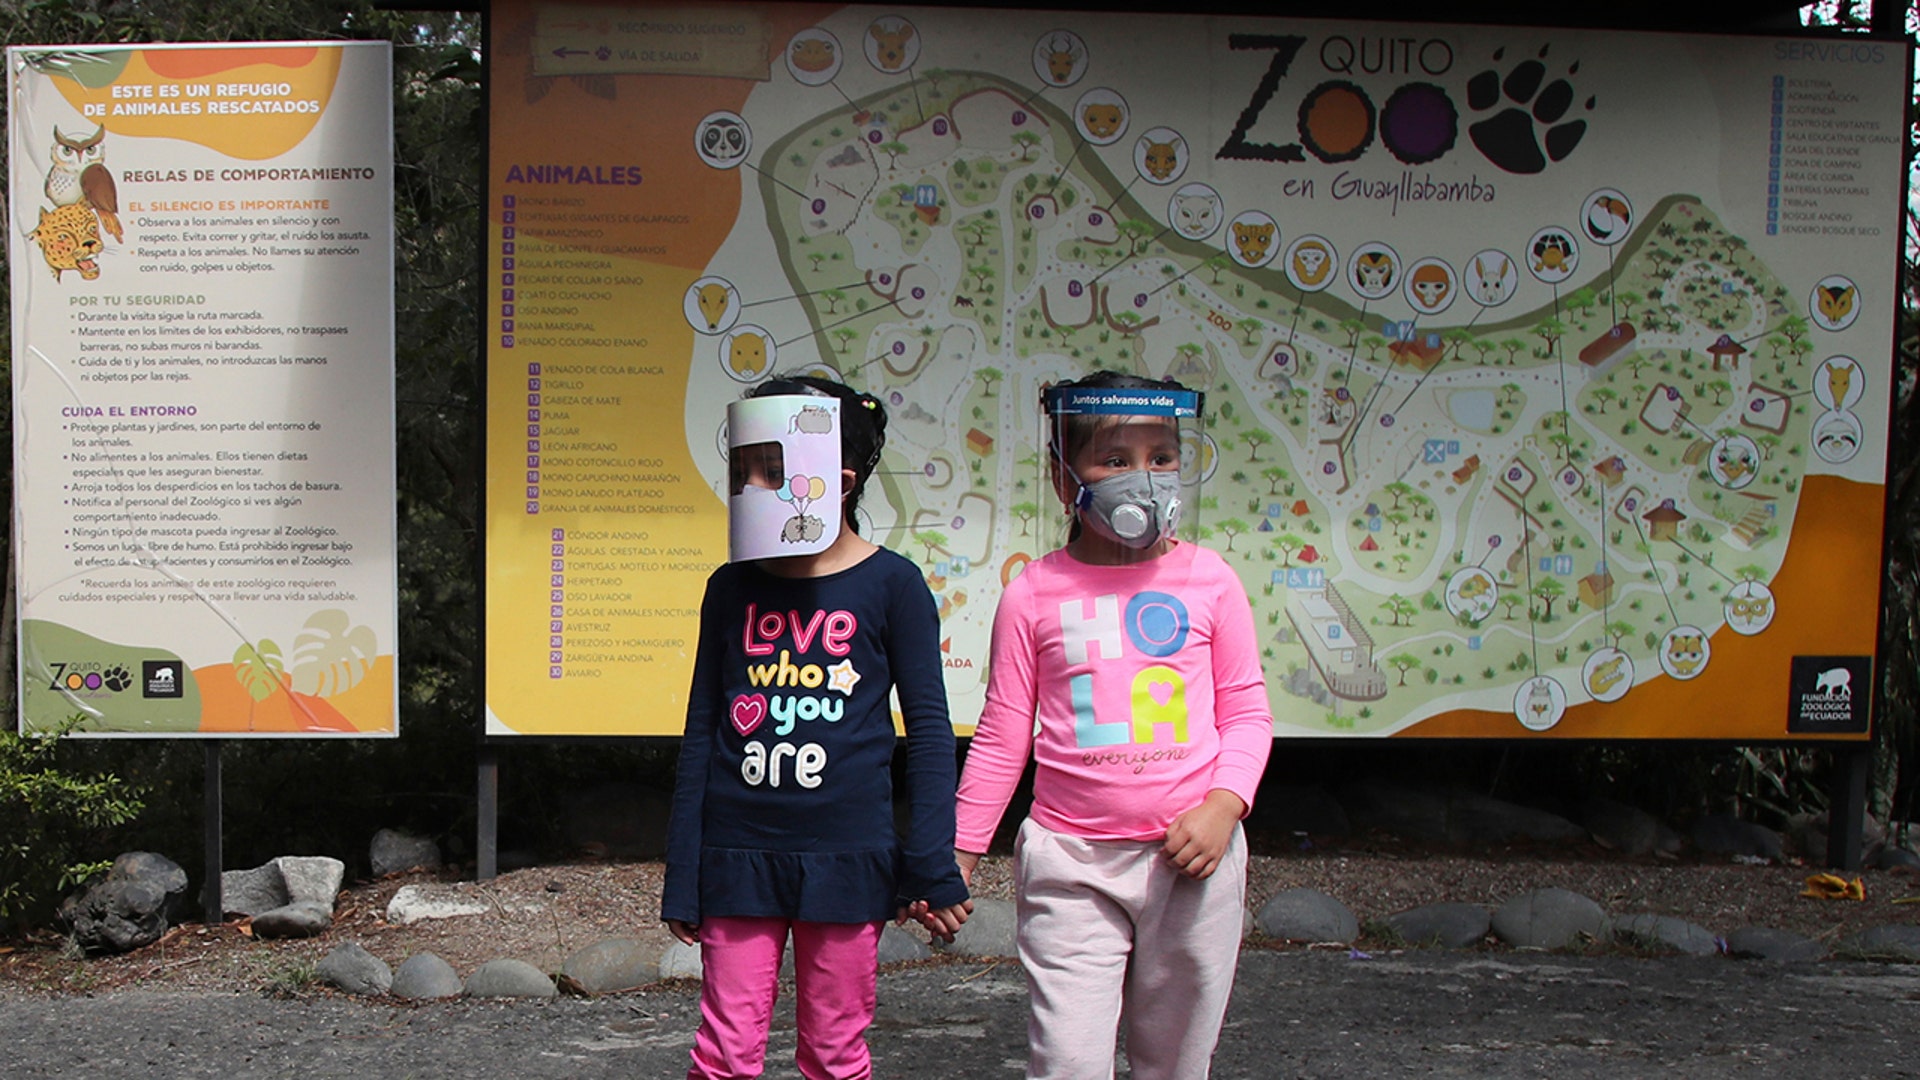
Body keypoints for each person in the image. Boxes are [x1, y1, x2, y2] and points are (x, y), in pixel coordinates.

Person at [953, 370, 1273, 1080]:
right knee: (1068, 1060)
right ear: (1065, 478)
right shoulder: (1032, 594)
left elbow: (1247, 711)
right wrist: (957, 855)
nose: (1145, 478)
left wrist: (1224, 806)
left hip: (1194, 866)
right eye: (1115, 460)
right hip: (1071, 864)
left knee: (1176, 1064)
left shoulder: (1212, 580)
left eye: (1162, 457)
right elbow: (1005, 733)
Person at [664, 374, 971, 1080]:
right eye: (742, 467)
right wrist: (685, 871)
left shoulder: (893, 585)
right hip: (737, 857)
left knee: (835, 1053)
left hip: (848, 859)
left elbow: (927, 732)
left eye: (768, 469)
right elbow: (701, 730)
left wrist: (930, 862)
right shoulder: (729, 587)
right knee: (724, 1056)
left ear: (839, 476)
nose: (749, 483)